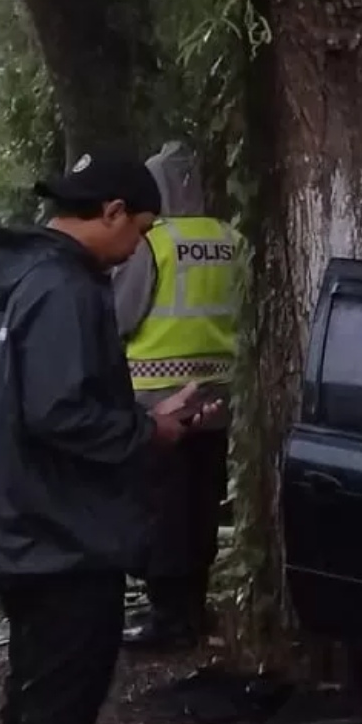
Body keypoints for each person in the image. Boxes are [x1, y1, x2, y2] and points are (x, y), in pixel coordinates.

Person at [0, 152, 216, 724]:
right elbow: (61, 414)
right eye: (138, 230)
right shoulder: (67, 287)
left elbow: (37, 406)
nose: (138, 247)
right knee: (56, 723)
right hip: (62, 540)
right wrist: (155, 428)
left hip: (24, 530)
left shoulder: (22, 283)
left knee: (28, 710)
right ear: (109, 211)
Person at [110, 142, 242, 653]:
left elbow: (122, 315)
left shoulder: (153, 242)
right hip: (216, 400)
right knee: (201, 506)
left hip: (155, 400)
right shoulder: (230, 238)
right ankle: (193, 605)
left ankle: (167, 617)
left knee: (160, 511)